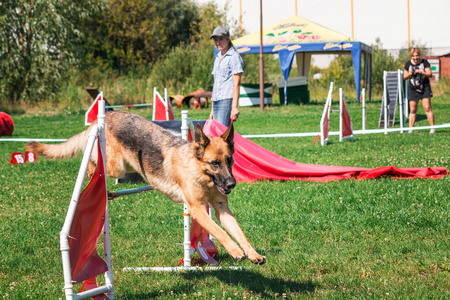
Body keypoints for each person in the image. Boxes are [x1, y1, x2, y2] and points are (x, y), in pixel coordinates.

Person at [209, 26, 243, 127]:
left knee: (221, 136)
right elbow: (216, 83)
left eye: (221, 39)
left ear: (228, 40)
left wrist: (234, 107)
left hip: (226, 101)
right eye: (216, 40)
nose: (218, 42)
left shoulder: (234, 57)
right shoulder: (218, 57)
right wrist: (212, 108)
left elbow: (237, 83)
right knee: (217, 135)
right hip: (216, 101)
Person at [403, 48, 435, 133]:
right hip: (413, 89)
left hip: (425, 88)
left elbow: (430, 74)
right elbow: (404, 77)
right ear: (411, 56)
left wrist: (421, 72)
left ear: (419, 55)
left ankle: (432, 128)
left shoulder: (425, 62)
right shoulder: (408, 64)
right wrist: (409, 74)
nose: (415, 57)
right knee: (412, 110)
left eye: (417, 55)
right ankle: (411, 130)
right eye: (413, 56)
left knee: (427, 107)